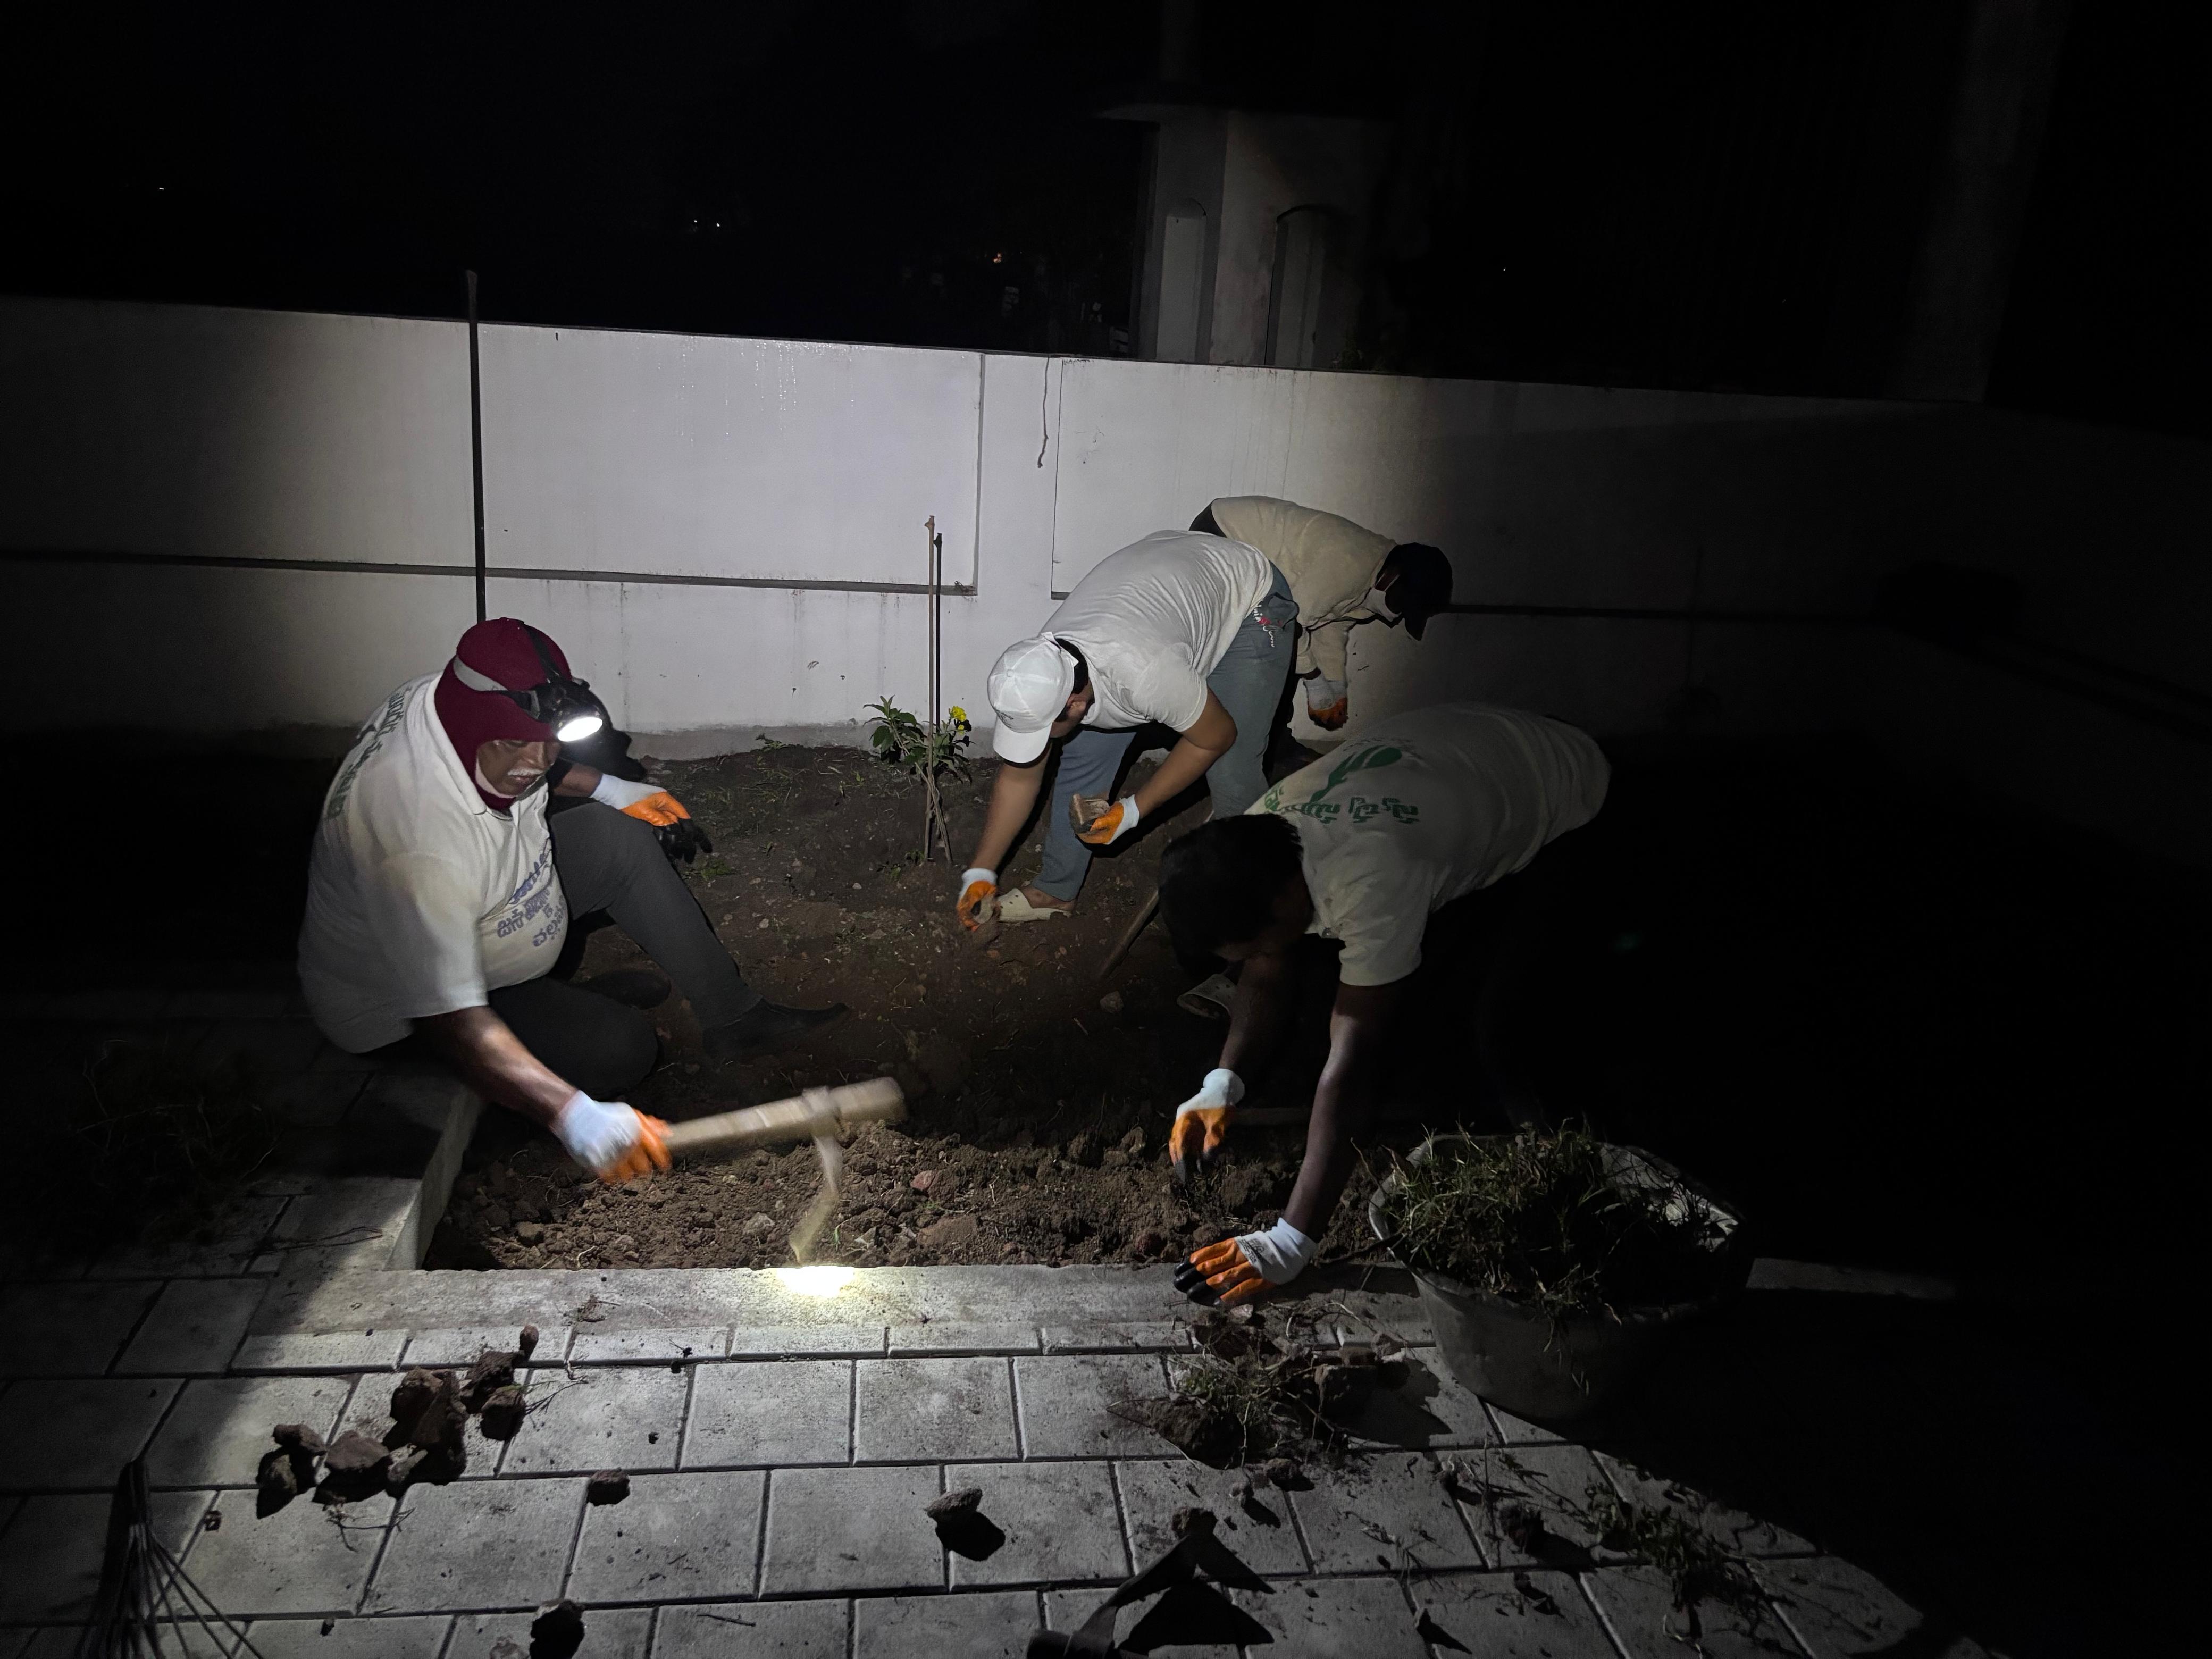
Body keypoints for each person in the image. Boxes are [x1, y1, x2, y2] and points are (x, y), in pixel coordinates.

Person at [298, 618, 845, 1182]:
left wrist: (612, 789)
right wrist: (571, 1113)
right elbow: (450, 1020)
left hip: (480, 915)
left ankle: (733, 1016)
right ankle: (504, 1105)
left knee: (614, 837)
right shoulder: (416, 842)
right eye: (515, 745)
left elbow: (531, 754)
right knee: (622, 1050)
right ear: (470, 731)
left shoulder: (441, 699)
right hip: (407, 1017)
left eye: (549, 743)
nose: (537, 763)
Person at [1156, 701, 1610, 1306]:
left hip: (1562, 786)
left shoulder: (1374, 877)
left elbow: (1354, 1058)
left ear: (1286, 901)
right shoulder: (1259, 836)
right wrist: (1223, 1084)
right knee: (1425, 959)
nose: (1258, 958)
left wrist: (1291, 1240)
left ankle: (1574, 1186)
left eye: (1257, 943)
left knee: (1505, 1027)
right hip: (1454, 754)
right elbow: (1267, 967)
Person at [956, 529, 1298, 928]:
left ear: (1074, 703)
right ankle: (1057, 890)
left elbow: (1216, 737)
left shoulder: (1145, 675)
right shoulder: (1043, 669)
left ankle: (1261, 915)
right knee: (1083, 753)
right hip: (1168, 586)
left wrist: (1133, 812)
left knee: (1232, 769)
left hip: (1248, 599)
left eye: (1042, 730)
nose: (1038, 744)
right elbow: (1020, 778)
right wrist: (981, 872)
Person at [1192, 497, 1454, 733]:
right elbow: (1289, 623)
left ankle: (1273, 743)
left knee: (1286, 651)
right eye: (1402, 606)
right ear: (1392, 578)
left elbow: (1331, 627)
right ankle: (1261, 746)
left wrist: (1335, 686)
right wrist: (1315, 682)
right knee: (1276, 649)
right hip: (1224, 532)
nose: (1397, 616)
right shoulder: (1350, 566)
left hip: (1235, 537)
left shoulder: (1372, 573)